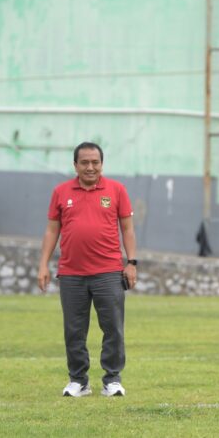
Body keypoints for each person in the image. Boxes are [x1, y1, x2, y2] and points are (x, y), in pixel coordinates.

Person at [38, 142, 138, 398]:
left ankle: (112, 380)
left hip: (109, 272)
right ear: (75, 165)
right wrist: (43, 265)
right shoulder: (61, 192)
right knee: (74, 331)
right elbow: (52, 230)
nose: (90, 167)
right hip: (71, 274)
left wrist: (132, 262)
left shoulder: (117, 190)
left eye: (95, 162)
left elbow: (127, 229)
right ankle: (78, 381)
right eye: (84, 162)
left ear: (102, 164)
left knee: (113, 329)